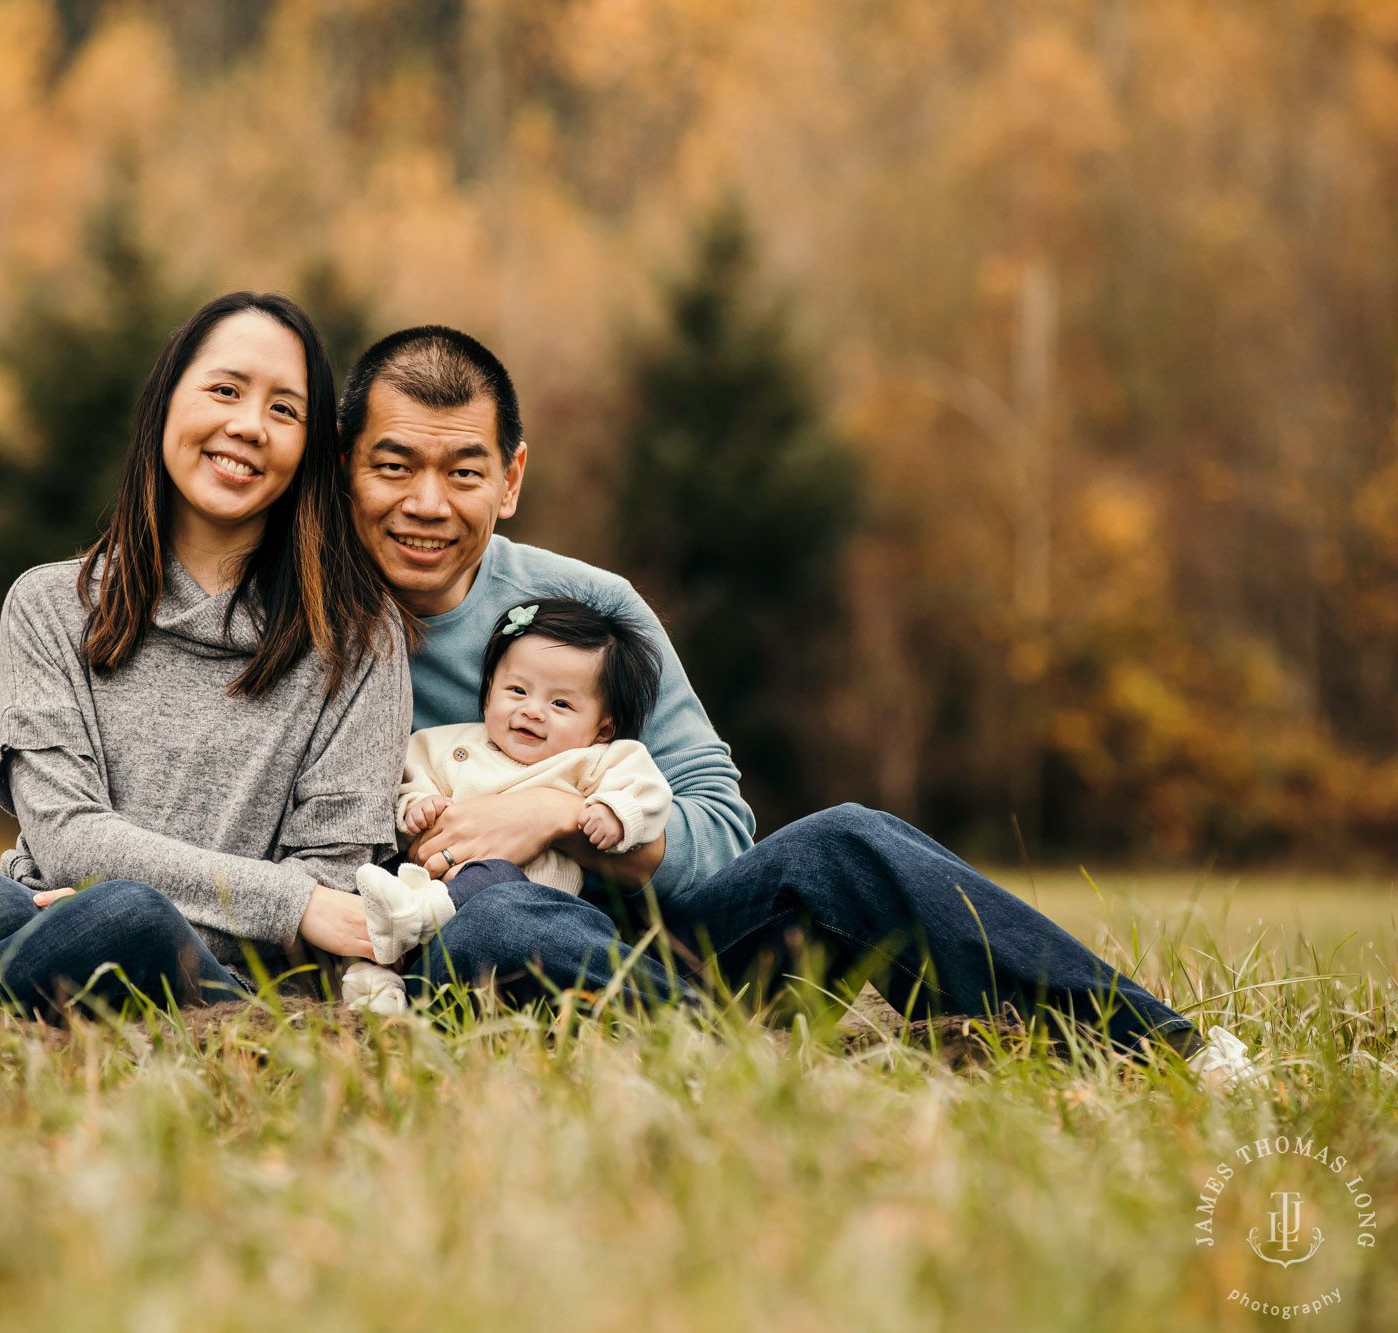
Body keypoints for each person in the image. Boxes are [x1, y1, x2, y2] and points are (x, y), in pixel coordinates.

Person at [340, 323, 1208, 1056]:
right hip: (453, 949)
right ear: (346, 470)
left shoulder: (588, 615)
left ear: (511, 478)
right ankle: (727, 1059)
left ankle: (1167, 1048)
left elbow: (719, 829)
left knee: (847, 843)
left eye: (462, 471)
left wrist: (559, 813)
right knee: (503, 921)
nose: (427, 502)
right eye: (394, 466)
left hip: (651, 951)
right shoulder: (298, 620)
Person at [0, 292, 408, 1022]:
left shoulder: (356, 637)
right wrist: (282, 901)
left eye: (285, 410)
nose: (248, 425)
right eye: (224, 390)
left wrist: (116, 895)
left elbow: (330, 890)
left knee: (132, 917)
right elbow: (65, 834)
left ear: (309, 449)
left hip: (233, 986)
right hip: (43, 922)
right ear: (164, 405)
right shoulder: (50, 606)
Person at [341, 597, 672, 1013]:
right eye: (517, 691)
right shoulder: (448, 744)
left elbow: (648, 793)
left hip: (515, 908)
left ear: (602, 727)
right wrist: (416, 806)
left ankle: (412, 927)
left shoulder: (596, 759)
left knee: (497, 878)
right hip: (422, 887)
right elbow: (406, 782)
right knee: (369, 881)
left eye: (561, 704)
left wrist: (614, 814)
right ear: (487, 694)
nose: (532, 711)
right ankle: (375, 982)